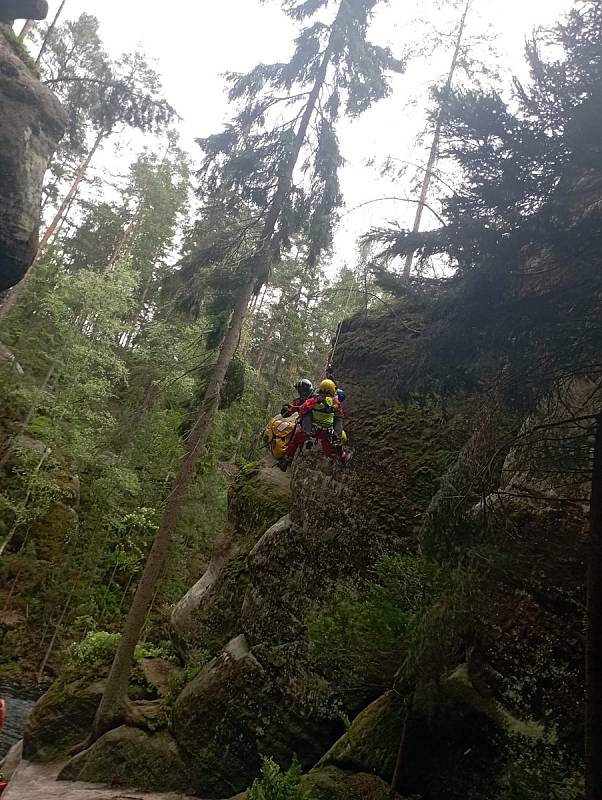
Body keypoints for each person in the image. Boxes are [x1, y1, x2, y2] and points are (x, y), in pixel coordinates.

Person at [278, 378, 350, 470]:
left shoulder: (314, 399)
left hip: (311, 430)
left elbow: (302, 408)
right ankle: (341, 457)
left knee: (296, 440)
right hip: (326, 433)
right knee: (329, 447)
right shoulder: (336, 403)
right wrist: (337, 437)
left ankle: (287, 459)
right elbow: (339, 418)